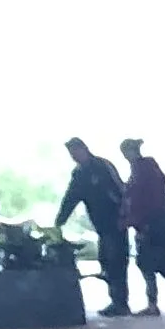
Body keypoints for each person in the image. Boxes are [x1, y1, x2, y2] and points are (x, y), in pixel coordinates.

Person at [55, 134, 131, 314]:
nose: (74, 157)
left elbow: (121, 190)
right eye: (71, 154)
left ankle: (120, 303)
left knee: (117, 261)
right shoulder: (79, 173)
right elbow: (71, 197)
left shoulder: (102, 166)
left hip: (116, 223)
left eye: (75, 152)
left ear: (84, 149)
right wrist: (59, 221)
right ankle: (117, 300)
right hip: (102, 226)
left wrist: (124, 215)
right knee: (106, 261)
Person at [119, 136, 165, 312]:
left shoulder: (142, 171)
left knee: (148, 263)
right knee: (156, 264)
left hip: (153, 226)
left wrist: (134, 220)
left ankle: (155, 304)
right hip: (156, 225)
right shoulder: (146, 169)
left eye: (125, 152)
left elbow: (145, 201)